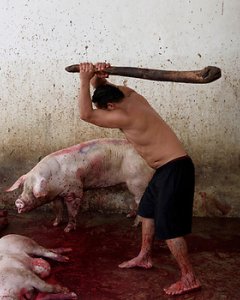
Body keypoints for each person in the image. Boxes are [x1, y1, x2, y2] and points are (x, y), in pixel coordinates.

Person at [77, 62, 201, 296]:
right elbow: (104, 90)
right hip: (168, 168)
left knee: (169, 228)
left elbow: (86, 114)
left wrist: (84, 81)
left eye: (106, 109)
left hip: (174, 169)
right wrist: (98, 78)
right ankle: (145, 256)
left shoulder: (123, 117)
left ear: (111, 107)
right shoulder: (132, 95)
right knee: (147, 211)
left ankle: (189, 277)